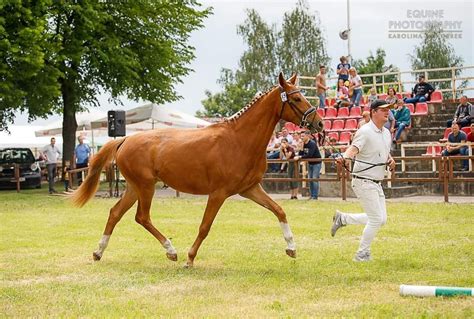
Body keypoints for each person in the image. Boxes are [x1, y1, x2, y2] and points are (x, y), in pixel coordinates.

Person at [332, 99, 396, 262]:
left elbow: (384, 151)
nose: (387, 112)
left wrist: (390, 160)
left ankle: (343, 218)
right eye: (383, 109)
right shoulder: (365, 131)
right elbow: (354, 149)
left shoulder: (387, 133)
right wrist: (344, 157)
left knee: (381, 219)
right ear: (373, 112)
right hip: (363, 181)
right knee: (375, 219)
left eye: (388, 109)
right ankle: (362, 254)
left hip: (376, 182)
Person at [294, 131, 322, 200]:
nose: (302, 138)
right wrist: (301, 148)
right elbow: (301, 153)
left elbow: (310, 155)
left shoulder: (312, 144)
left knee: (314, 179)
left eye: (303, 136)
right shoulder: (304, 144)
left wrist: (300, 157)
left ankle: (315, 196)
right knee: (310, 179)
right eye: (301, 136)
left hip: (316, 163)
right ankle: (311, 195)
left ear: (307, 136)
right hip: (310, 163)